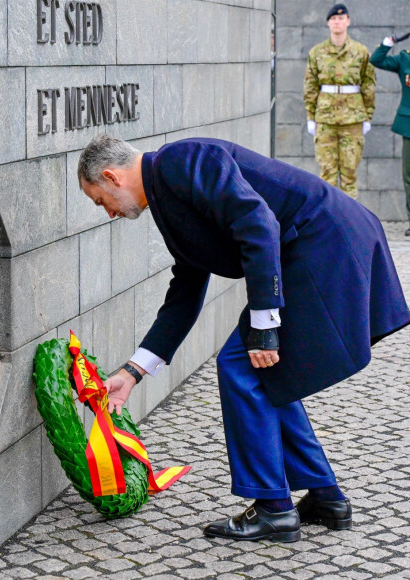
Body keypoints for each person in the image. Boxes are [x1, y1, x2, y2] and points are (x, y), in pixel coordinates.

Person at [77, 134, 410, 542]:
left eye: (100, 201)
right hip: (317, 244)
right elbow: (185, 292)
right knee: (264, 372)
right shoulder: (167, 190)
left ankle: (274, 509)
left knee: (240, 363)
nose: (107, 213)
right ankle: (325, 496)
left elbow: (258, 222)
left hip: (325, 242)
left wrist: (264, 325)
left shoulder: (182, 160)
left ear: (111, 176)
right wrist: (132, 372)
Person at [304, 3, 376, 199]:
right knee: (326, 175)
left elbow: (369, 85)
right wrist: (311, 117)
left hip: (352, 120)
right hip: (325, 120)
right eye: (334, 19)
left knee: (349, 176)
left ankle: (349, 224)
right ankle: (327, 224)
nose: (337, 22)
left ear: (348, 22)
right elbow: (310, 87)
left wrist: (367, 117)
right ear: (328, 23)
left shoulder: (360, 52)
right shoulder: (317, 52)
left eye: (341, 18)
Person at [370, 32, 410, 235]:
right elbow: (377, 60)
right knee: (409, 176)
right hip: (409, 126)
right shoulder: (405, 58)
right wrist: (388, 43)